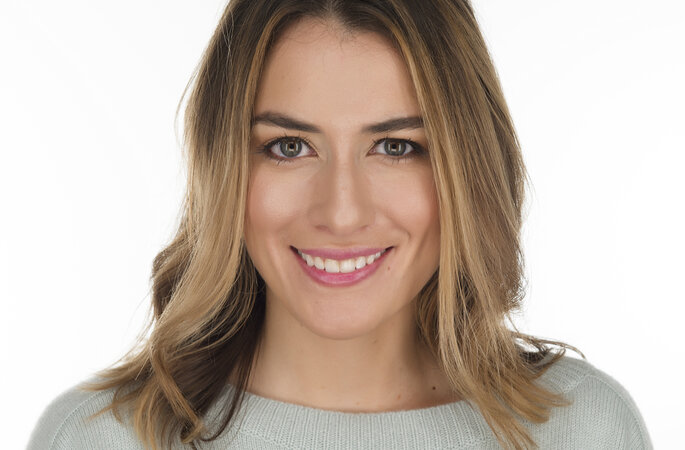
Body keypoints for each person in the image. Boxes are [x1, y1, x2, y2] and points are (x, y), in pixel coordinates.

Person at [27, 1, 652, 449]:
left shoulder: (583, 430)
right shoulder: (99, 439)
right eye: (289, 147)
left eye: (396, 148)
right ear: (223, 167)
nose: (342, 213)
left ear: (468, 167)